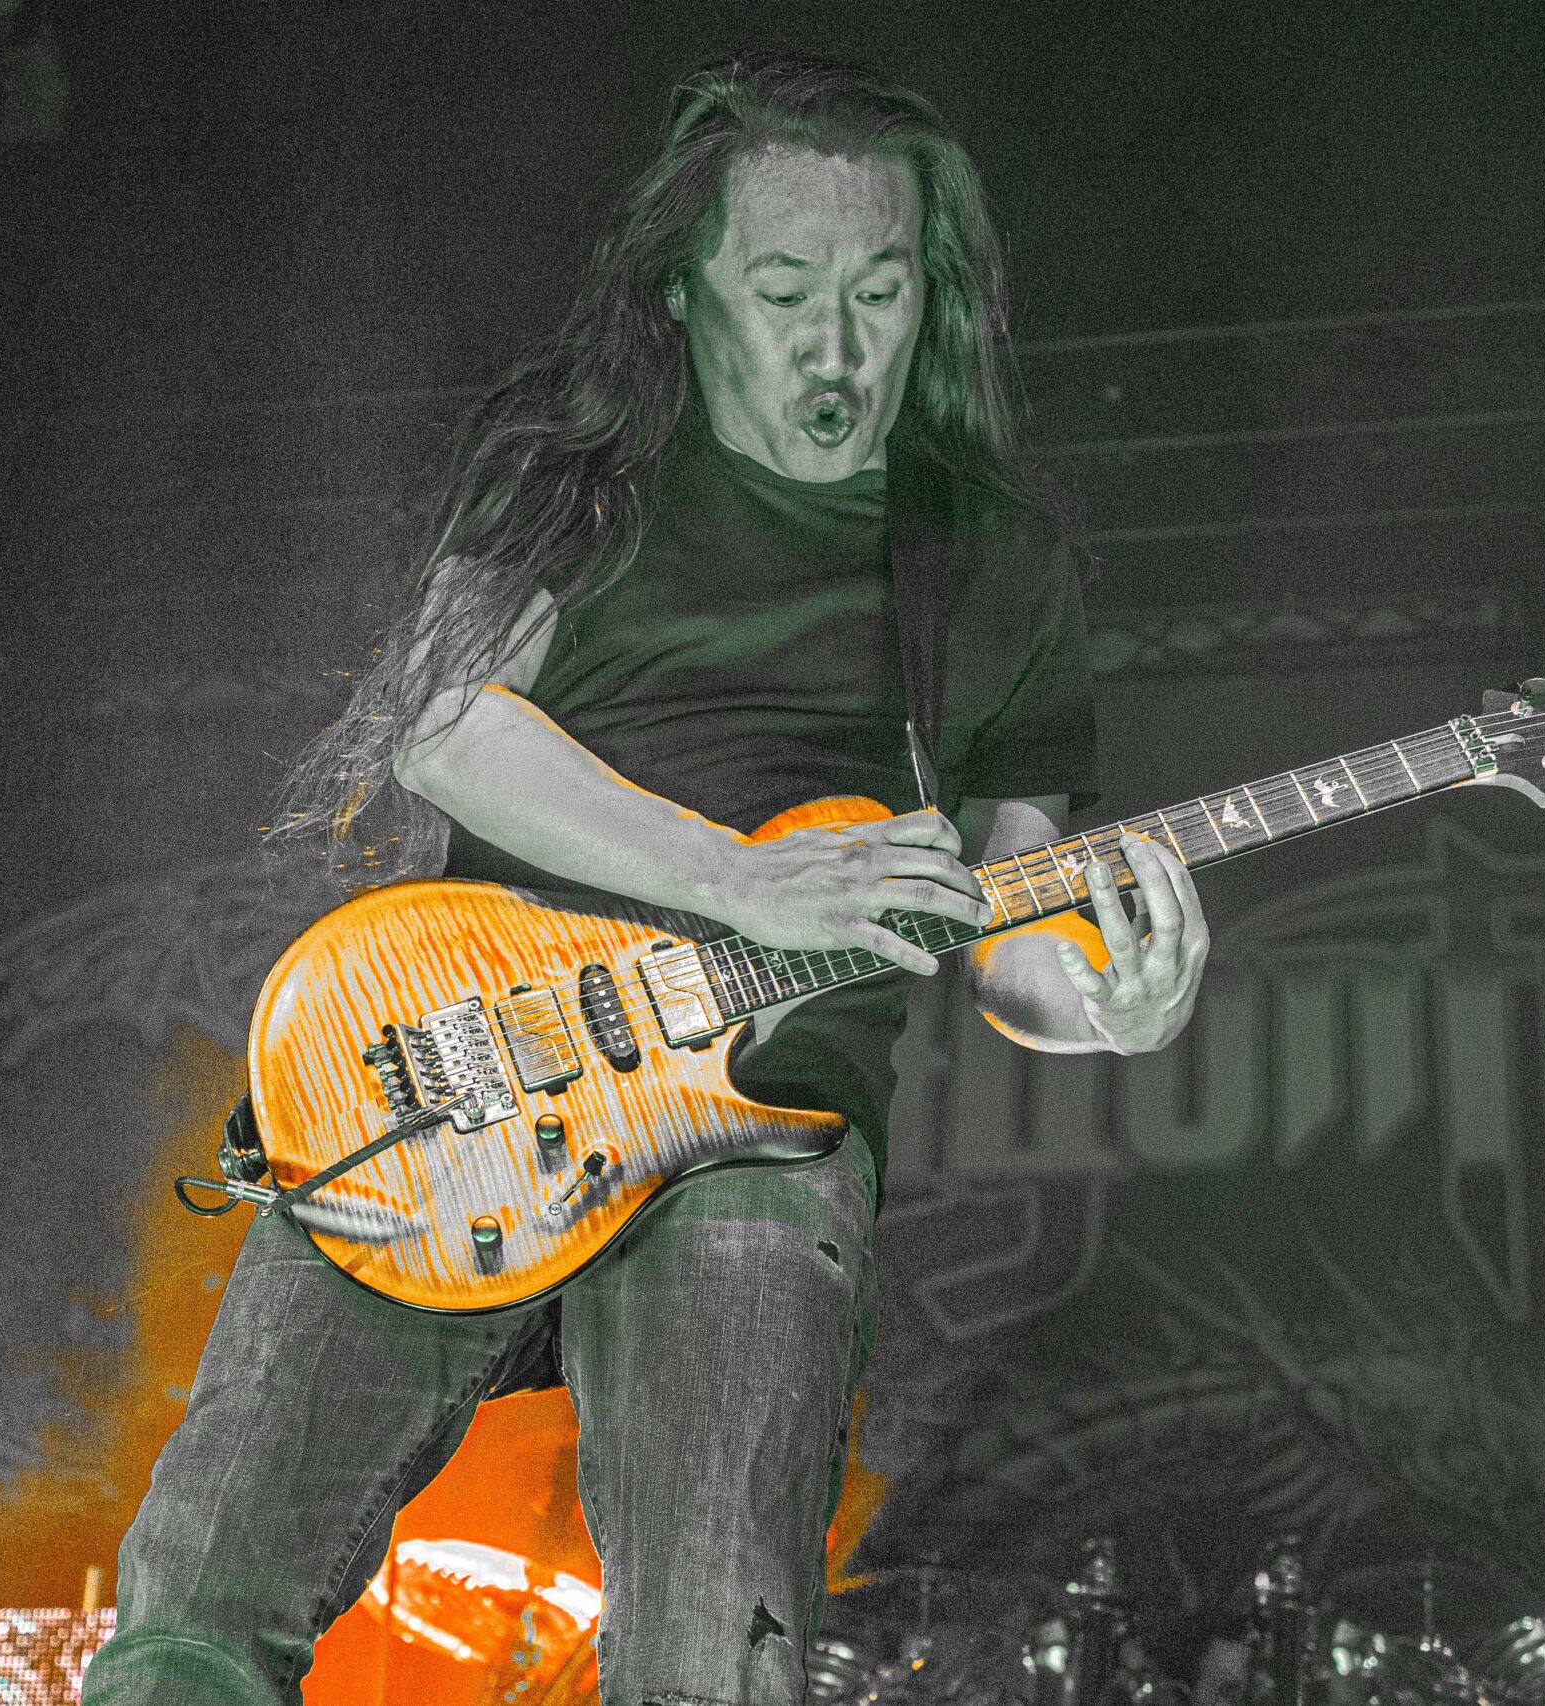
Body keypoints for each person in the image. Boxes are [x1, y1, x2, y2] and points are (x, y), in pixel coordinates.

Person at [83, 49, 1210, 1706]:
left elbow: (1009, 906)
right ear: (685, 290)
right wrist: (741, 879)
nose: (839, 347)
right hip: (462, 1075)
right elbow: (442, 723)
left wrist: (1115, 1002)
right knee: (200, 1609)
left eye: (881, 292)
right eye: (787, 289)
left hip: (758, 1135)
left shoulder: (995, 558)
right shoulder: (576, 469)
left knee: (710, 1655)